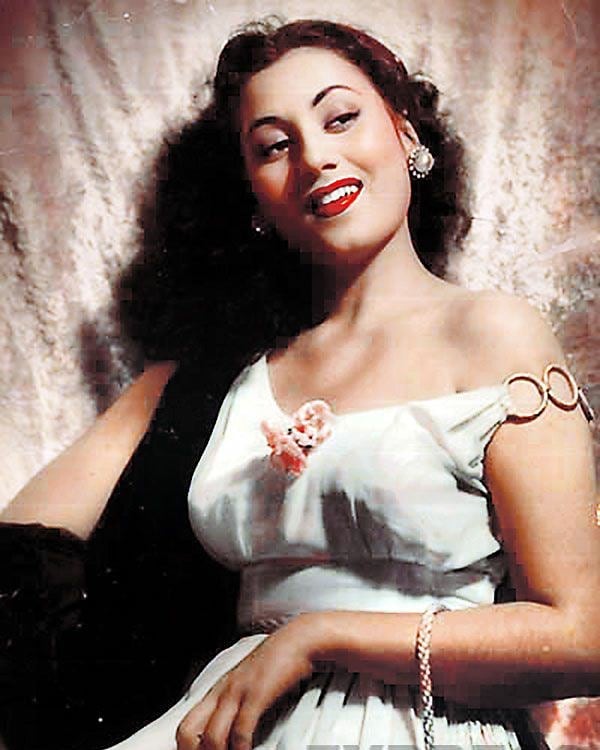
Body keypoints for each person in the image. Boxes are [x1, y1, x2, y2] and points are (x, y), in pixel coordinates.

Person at [1, 18, 598, 750]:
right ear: (254, 199)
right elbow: (22, 554)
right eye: (274, 146)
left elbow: (583, 636)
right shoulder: (234, 378)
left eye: (340, 118)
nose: (316, 157)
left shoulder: (494, 332)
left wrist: (319, 638)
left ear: (406, 133)